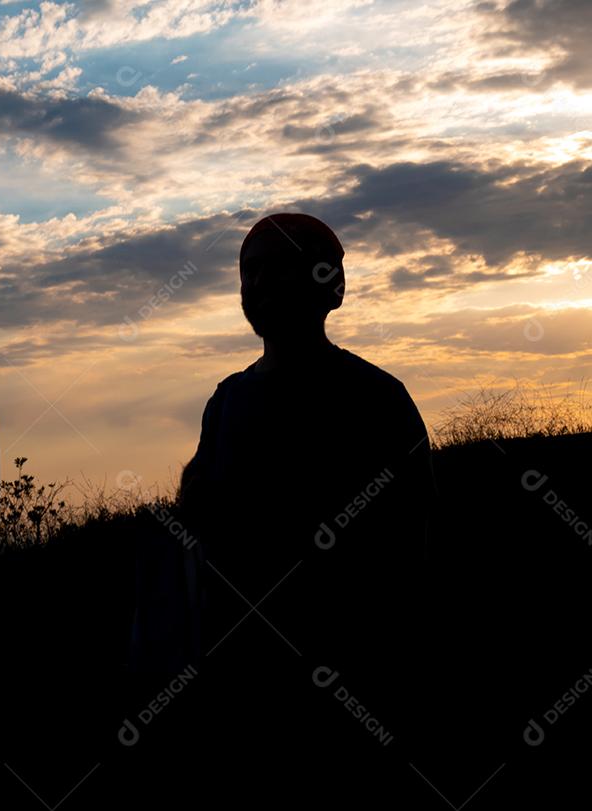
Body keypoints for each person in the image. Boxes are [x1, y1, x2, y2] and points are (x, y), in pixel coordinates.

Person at [175, 213, 435, 805]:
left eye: (281, 266)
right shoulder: (228, 400)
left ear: (332, 284)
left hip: (357, 678)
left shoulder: (377, 399)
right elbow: (199, 521)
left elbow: (410, 553)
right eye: (250, 271)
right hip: (246, 686)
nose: (262, 283)